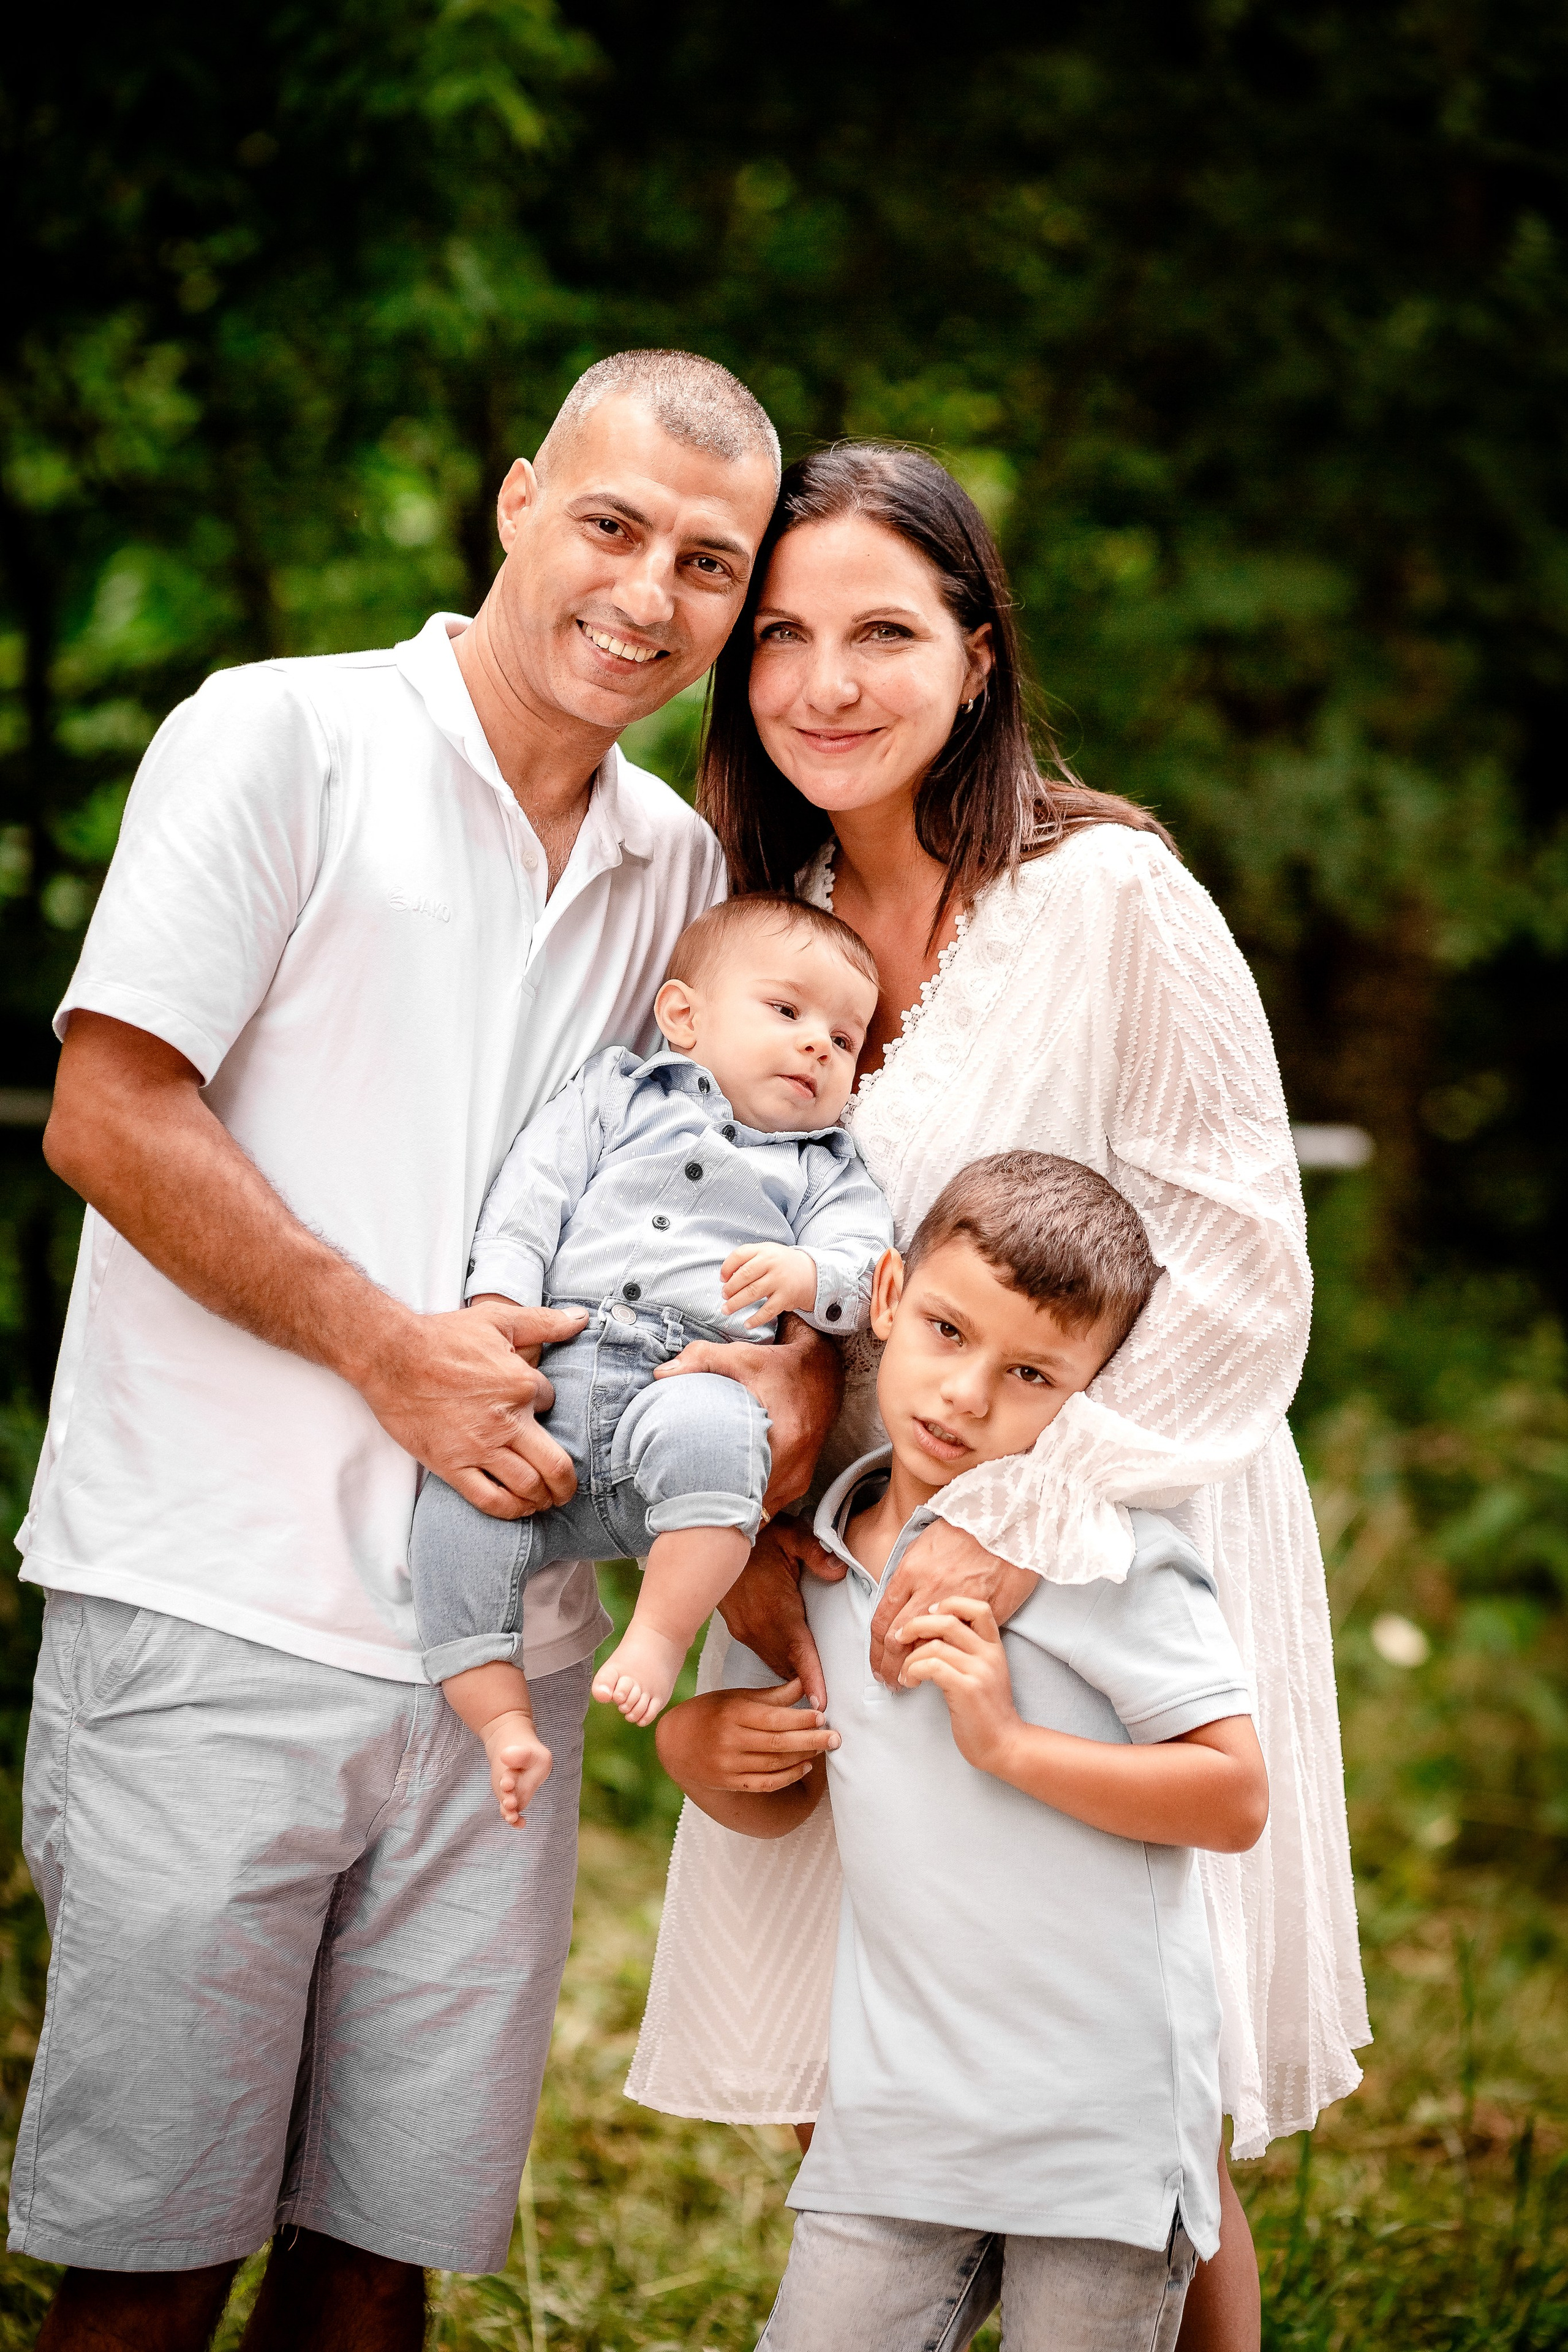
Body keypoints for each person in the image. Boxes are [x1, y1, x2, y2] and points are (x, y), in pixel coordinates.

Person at [11, 351, 845, 2352]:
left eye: (709, 564)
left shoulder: (677, 882)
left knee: (379, 2276)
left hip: (508, 1675)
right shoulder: (280, 740)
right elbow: (109, 1115)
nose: (649, 593)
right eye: (614, 524)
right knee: (146, 2276)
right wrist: (390, 1355)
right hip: (217, 1605)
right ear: (515, 503)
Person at [627, 443, 1368, 2352]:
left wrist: (1016, 1546)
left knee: (1122, 2116)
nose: (823, 681)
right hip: (849, 1547)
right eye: (782, 635)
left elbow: (1241, 1272)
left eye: (883, 630)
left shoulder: (1114, 898)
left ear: (977, 651)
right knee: (862, 2072)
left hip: (1103, 1537)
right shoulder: (753, 928)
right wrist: (769, 1589)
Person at [658, 1154, 1269, 2352]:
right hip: (893, 2125)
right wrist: (696, 1743)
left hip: (1096, 2132)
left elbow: (1233, 1796)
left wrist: (1007, 1743)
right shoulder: (810, 1564)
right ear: (883, 1298)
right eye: (944, 1331)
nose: (966, 1396)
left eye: (1030, 1373)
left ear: (1085, 1399)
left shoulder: (1101, 1554)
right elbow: (781, 1807)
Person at [409, 893, 892, 1814]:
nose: (819, 1047)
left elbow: (867, 1272)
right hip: (550, 1379)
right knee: (458, 1509)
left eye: (845, 1038)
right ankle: (500, 1718)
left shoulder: (826, 1167)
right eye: (787, 1012)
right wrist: (499, 1305)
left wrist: (805, 1274)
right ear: (684, 1016)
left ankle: (659, 1636)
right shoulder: (619, 1096)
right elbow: (532, 1192)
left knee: (717, 1434)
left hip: (686, 1386)